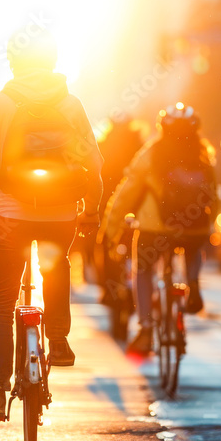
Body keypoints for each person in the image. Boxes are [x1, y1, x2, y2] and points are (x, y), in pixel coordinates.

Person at [0, 28, 103, 421]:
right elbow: (95, 163)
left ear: (13, 61)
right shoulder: (71, 105)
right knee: (58, 264)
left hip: (8, 215)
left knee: (0, 303)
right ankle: (58, 337)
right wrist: (91, 210)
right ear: (52, 60)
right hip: (61, 212)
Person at [102, 103, 218, 355]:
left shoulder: (151, 153)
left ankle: (145, 327)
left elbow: (127, 193)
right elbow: (213, 195)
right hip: (193, 229)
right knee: (193, 245)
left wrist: (110, 230)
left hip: (156, 230)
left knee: (142, 268)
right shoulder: (202, 154)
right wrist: (211, 226)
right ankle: (193, 282)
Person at [94, 112, 144, 336]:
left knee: (104, 245)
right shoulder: (140, 148)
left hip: (110, 209)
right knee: (144, 253)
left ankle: (107, 288)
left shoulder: (103, 148)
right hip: (137, 212)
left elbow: (94, 176)